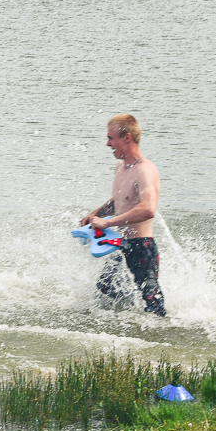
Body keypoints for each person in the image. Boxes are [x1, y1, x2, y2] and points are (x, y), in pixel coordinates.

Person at [80, 114, 166, 316]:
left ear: (127, 138)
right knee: (105, 288)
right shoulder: (121, 167)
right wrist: (96, 214)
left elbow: (148, 209)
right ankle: (127, 323)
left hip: (142, 247)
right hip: (121, 243)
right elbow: (120, 201)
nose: (108, 143)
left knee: (153, 302)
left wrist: (107, 222)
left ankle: (163, 336)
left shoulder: (145, 170)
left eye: (111, 138)